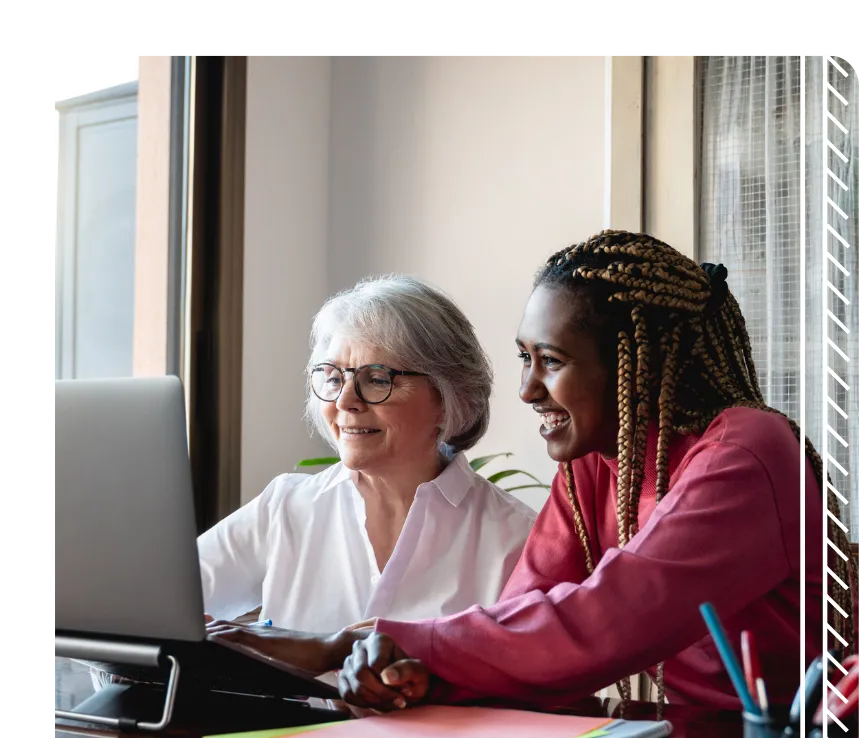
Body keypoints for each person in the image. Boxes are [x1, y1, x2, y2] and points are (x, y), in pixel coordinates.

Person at [210, 231, 855, 712]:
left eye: (550, 360)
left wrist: (360, 641)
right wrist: (408, 668)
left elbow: (609, 619)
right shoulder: (597, 468)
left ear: (634, 366)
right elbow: (522, 618)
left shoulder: (749, 450)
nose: (526, 390)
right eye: (524, 358)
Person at [201, 275, 536, 635]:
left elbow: (536, 682)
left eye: (377, 379)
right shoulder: (284, 508)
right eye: (332, 377)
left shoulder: (515, 538)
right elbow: (159, 603)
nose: (345, 401)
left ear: (448, 396)